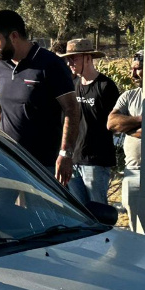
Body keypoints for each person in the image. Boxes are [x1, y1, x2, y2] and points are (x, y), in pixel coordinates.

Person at [0, 10, 80, 185]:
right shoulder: (0, 65)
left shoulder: (50, 64)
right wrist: (1, 122)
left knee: (40, 212)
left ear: (14, 36)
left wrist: (65, 154)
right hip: (5, 157)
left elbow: (72, 109)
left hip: (41, 163)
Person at [59, 39, 120, 205]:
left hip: (96, 161)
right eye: (68, 59)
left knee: (98, 210)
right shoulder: (73, 85)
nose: (70, 62)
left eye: (74, 58)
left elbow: (115, 124)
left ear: (88, 58)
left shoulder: (106, 86)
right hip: (73, 159)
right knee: (80, 211)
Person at [108, 52, 144, 231]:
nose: (133, 74)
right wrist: (139, 120)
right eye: (132, 68)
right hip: (133, 171)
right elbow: (112, 123)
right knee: (134, 226)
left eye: (138, 69)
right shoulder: (129, 96)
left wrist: (127, 127)